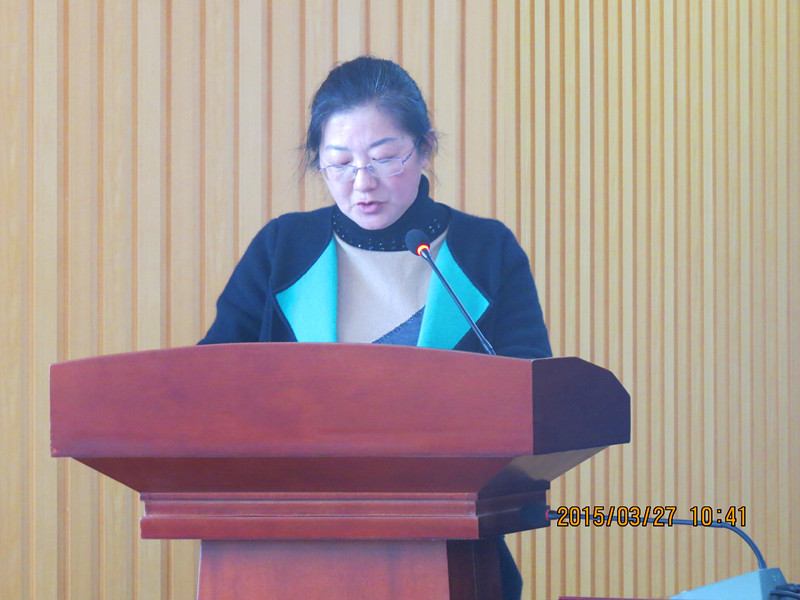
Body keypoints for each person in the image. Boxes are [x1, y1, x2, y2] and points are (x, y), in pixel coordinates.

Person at [199, 55, 552, 600]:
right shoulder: (282, 249)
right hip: (288, 550)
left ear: (425, 147)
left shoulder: (486, 251)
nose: (362, 183)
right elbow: (210, 382)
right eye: (338, 164)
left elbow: (532, 395)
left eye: (385, 158)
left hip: (450, 551)